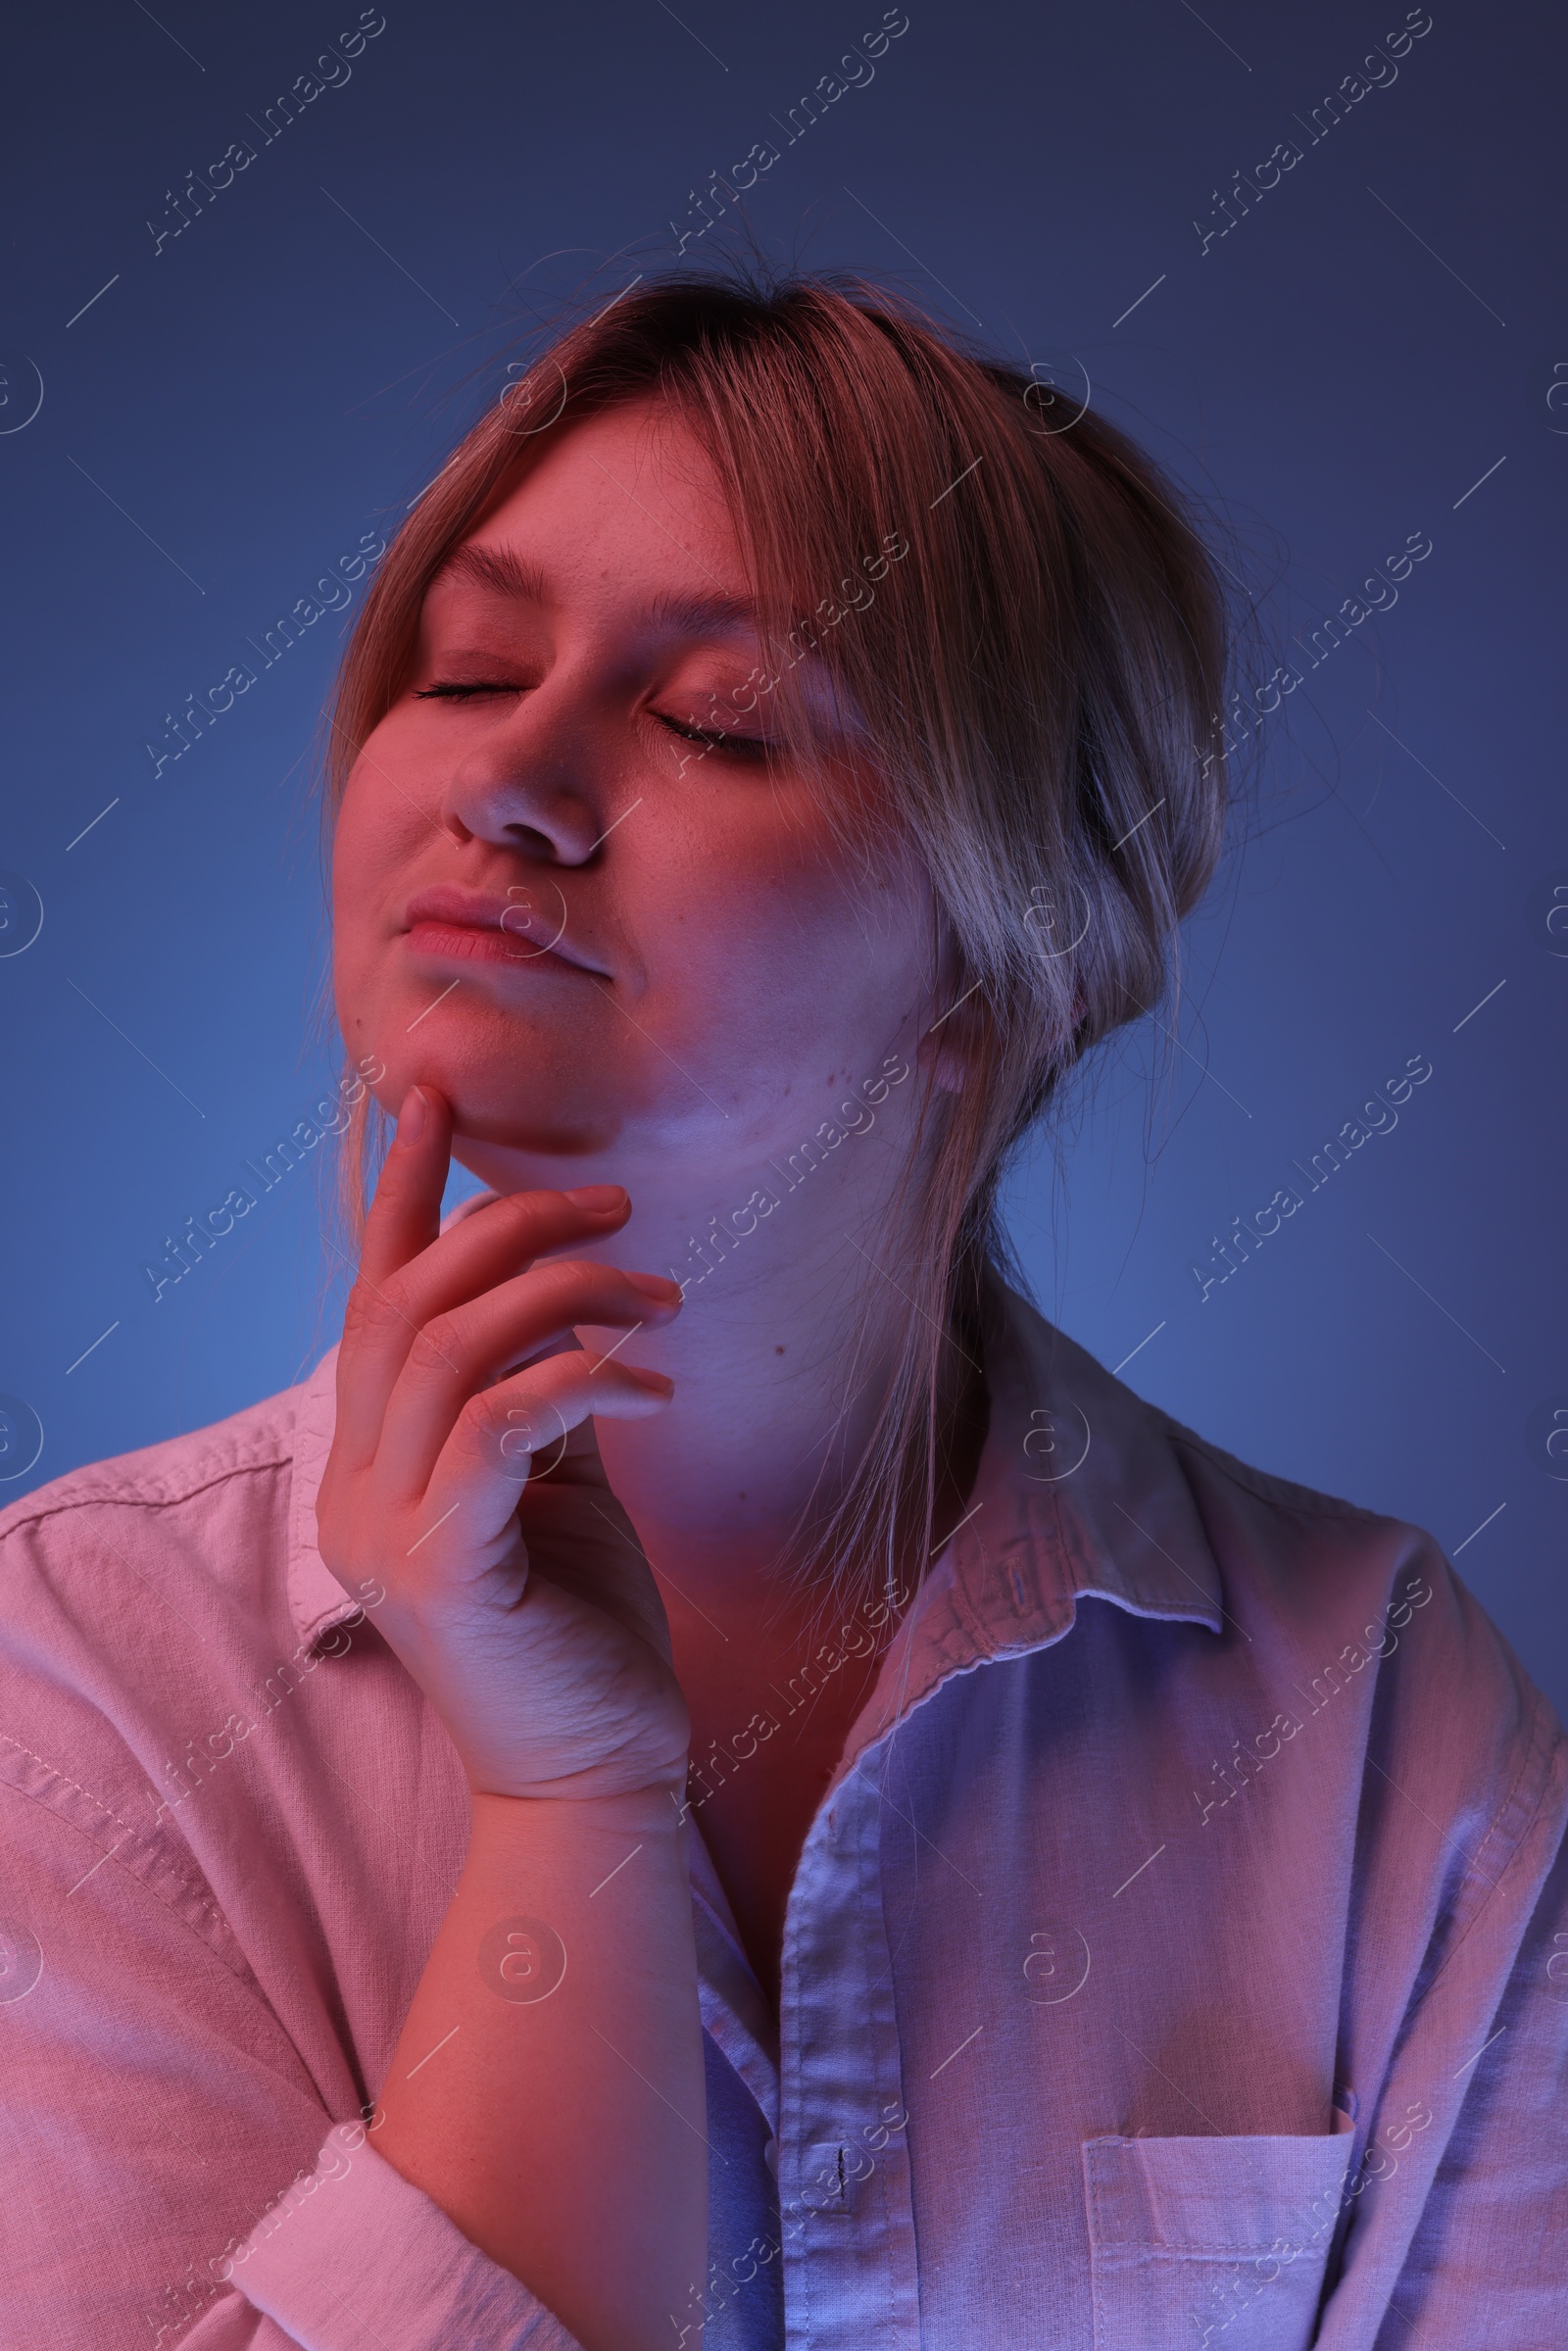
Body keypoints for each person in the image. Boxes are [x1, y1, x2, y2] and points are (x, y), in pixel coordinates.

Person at [2, 271, 1563, 2351]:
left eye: (716, 721)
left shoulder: (1376, 1710)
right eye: (465, 669)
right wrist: (561, 1812)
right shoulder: (73, 1702)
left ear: (988, 982)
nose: (514, 781)